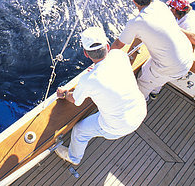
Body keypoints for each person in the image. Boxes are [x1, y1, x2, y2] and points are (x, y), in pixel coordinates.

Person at [54, 27, 147, 166]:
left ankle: (74, 158)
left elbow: (75, 101)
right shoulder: (119, 56)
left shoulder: (89, 79)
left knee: (79, 131)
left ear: (86, 54)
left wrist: (65, 93)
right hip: (141, 111)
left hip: (119, 127)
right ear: (108, 46)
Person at [111, 0, 193, 101]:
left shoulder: (136, 22)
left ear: (134, 1)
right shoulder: (161, 6)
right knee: (148, 70)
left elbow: (118, 45)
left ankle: (141, 102)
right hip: (187, 56)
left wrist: (102, 61)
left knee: (141, 85)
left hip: (172, 68)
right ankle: (154, 92)